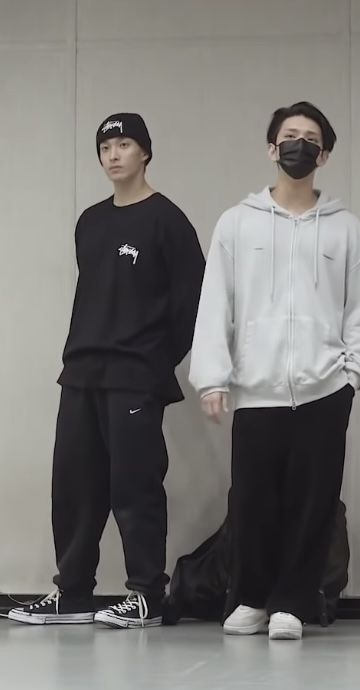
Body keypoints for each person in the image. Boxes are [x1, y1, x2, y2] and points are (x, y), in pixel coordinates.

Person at [189, 101, 360, 640]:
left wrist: (354, 374)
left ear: (325, 153)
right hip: (256, 391)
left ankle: (293, 602)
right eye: (289, 135)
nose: (299, 144)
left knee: (313, 502)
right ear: (273, 148)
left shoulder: (345, 229)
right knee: (252, 501)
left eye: (311, 137)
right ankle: (251, 597)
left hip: (324, 389)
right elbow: (215, 304)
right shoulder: (236, 222)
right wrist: (212, 377)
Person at [8, 113, 205, 629]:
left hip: (136, 376)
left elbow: (192, 305)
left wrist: (158, 363)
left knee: (134, 485)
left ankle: (145, 595)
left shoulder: (168, 221)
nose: (113, 155)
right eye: (105, 147)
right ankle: (72, 592)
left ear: (145, 152)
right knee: (73, 485)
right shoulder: (91, 222)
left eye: (124, 144)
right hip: (80, 373)